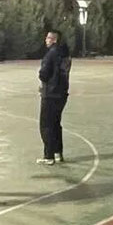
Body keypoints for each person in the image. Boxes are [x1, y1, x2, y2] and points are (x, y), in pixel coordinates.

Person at [37, 30, 72, 165]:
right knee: (56, 124)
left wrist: (43, 79)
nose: (46, 40)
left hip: (50, 93)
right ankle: (58, 153)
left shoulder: (51, 54)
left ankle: (49, 155)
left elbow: (44, 74)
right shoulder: (65, 54)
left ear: (54, 40)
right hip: (62, 93)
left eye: (48, 38)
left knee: (46, 125)